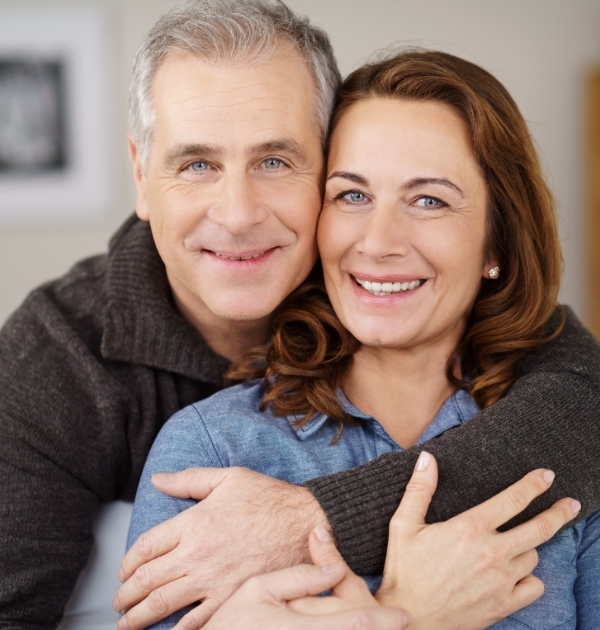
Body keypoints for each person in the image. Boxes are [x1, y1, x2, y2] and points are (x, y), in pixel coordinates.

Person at [0, 0, 599, 627]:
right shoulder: (59, 365)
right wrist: (402, 617)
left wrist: (314, 519)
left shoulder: (390, 277)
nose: (238, 214)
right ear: (142, 174)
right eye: (197, 163)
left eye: (275, 161)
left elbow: (587, 401)